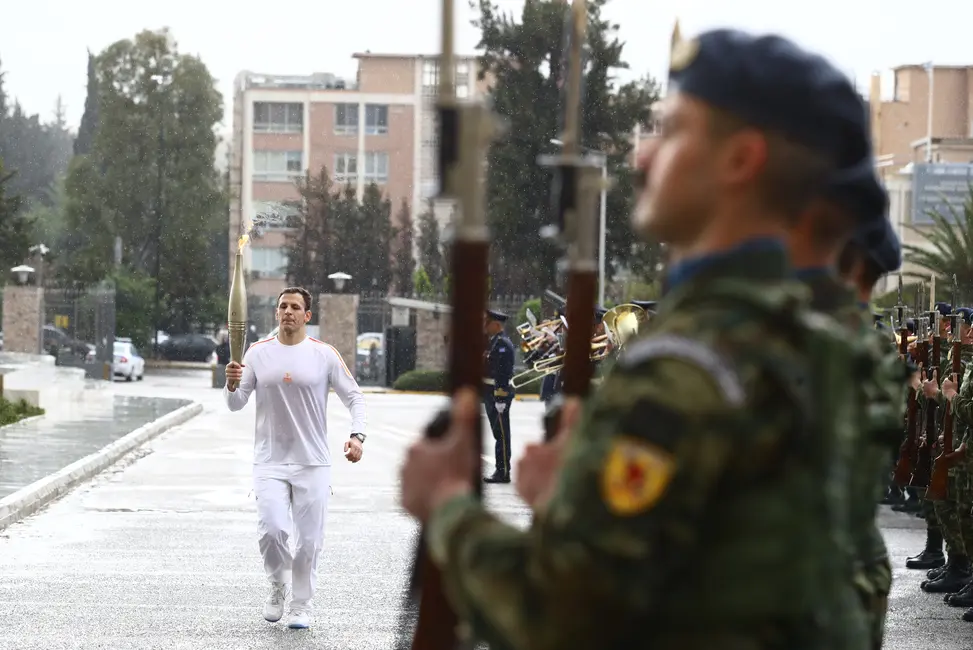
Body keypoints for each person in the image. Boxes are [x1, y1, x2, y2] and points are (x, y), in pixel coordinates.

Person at [400, 28, 875, 649]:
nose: (642, 157)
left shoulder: (688, 369)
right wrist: (578, 496)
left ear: (740, 160)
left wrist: (450, 509)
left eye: (672, 131)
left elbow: (561, 621)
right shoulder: (814, 341)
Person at [224, 286, 366, 630]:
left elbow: (354, 397)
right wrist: (230, 384)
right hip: (269, 461)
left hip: (312, 462)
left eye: (294, 307)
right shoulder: (257, 353)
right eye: (282, 306)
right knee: (272, 531)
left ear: (307, 316)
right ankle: (277, 584)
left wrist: (357, 435)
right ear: (276, 314)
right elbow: (235, 403)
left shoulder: (324, 354)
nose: (287, 311)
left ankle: (301, 605)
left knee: (309, 540)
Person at [483, 309, 515, 483]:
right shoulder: (494, 342)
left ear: (496, 325)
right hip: (491, 393)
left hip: (498, 395)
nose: (484, 326)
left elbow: (503, 373)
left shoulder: (502, 344)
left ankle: (502, 471)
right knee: (498, 433)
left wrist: (500, 397)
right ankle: (501, 469)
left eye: (487, 323)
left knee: (502, 434)